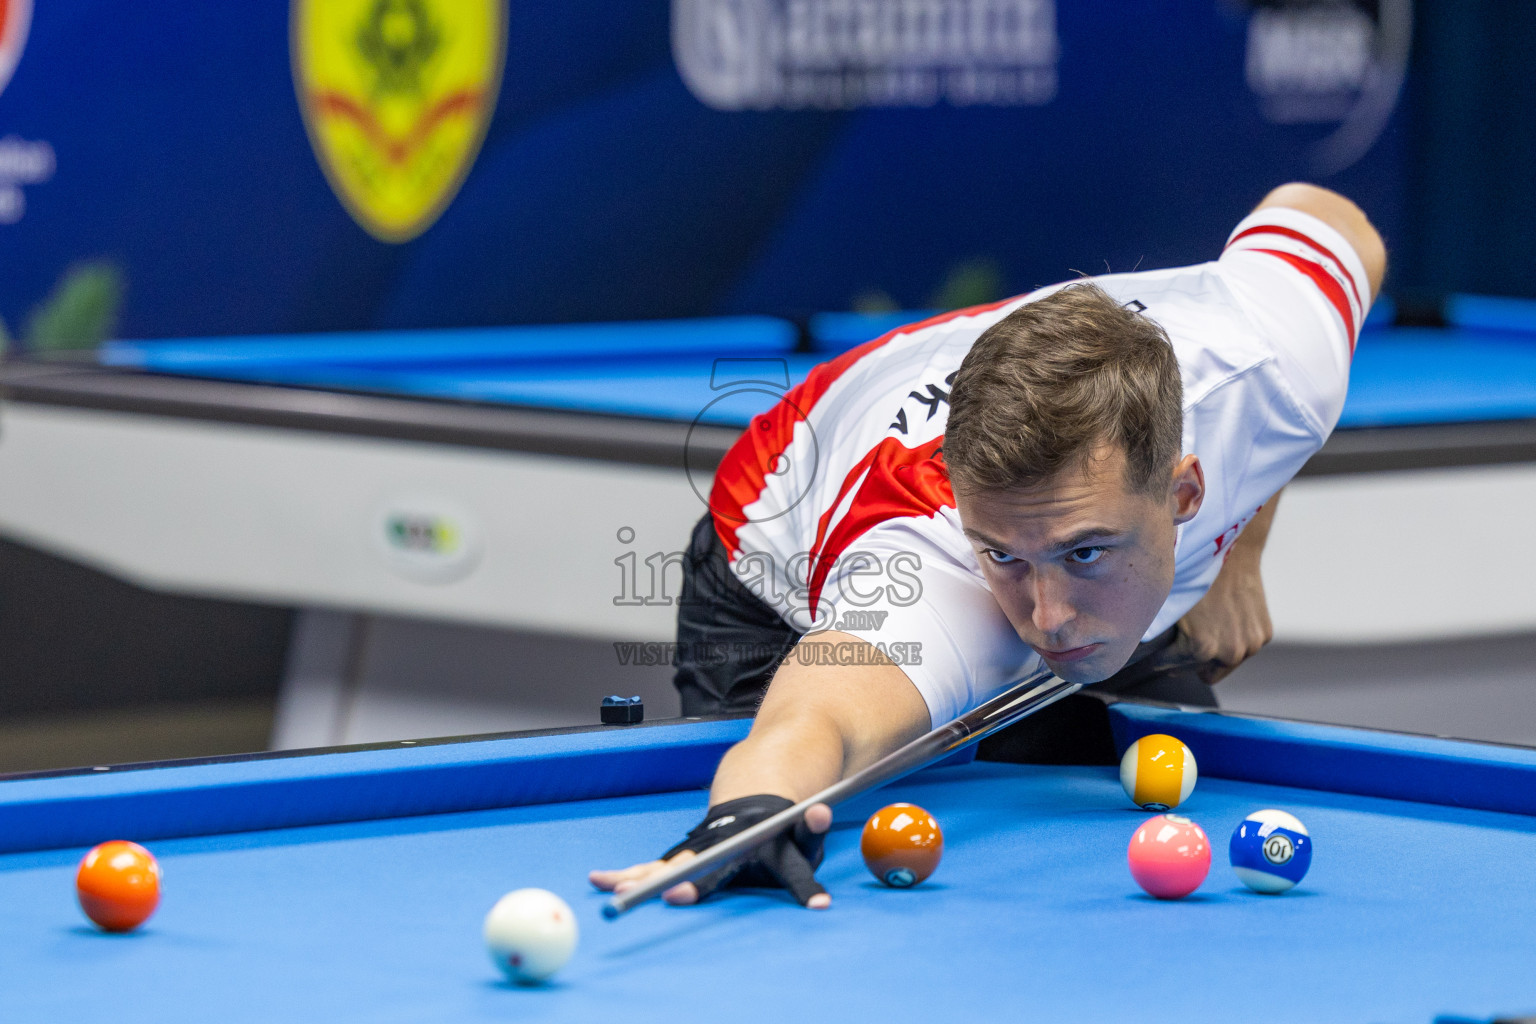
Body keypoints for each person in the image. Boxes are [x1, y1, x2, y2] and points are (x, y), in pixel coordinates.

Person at [591, 183, 1386, 911]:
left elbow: (1333, 218)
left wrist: (1241, 555)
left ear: (1184, 495)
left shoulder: (1273, 364)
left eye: (1085, 553)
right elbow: (814, 719)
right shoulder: (928, 571)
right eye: (1004, 555)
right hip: (769, 560)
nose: (1048, 619)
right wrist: (753, 810)